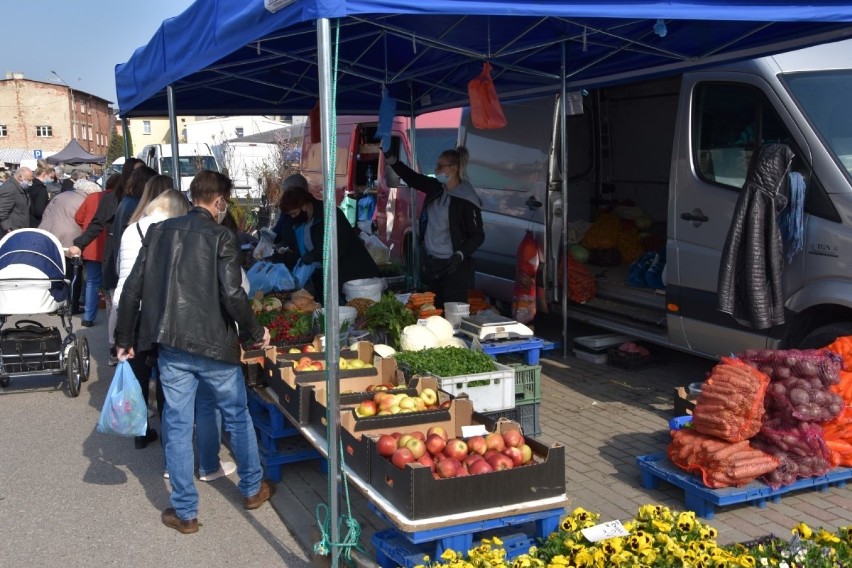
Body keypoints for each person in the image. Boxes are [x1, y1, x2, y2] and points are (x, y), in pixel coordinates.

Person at [114, 170, 273, 534]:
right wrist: (254, 332)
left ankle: (185, 512)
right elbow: (233, 294)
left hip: (171, 344)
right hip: (215, 345)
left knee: (177, 422)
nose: (225, 208)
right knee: (236, 416)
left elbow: (132, 290)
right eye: (225, 203)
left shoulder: (158, 232)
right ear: (218, 201)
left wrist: (124, 338)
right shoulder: (221, 236)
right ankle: (251, 489)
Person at [115, 190, 191, 450]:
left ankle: (140, 430)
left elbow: (122, 273)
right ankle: (170, 432)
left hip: (128, 308)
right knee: (165, 373)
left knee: (138, 373)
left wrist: (121, 336)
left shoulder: (131, 228)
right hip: (155, 309)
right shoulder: (168, 232)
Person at [384, 145, 484, 307]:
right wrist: (391, 159)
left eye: (440, 166)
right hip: (432, 264)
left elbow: (478, 235)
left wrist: (460, 255)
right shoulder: (436, 187)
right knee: (433, 312)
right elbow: (412, 177)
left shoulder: (467, 199)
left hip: (454, 267)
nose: (436, 169)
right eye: (436, 165)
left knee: (453, 315)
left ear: (453, 169)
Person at [68, 157, 143, 364]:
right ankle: (115, 348)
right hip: (115, 258)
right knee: (117, 306)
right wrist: (80, 244)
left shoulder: (144, 199)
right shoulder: (113, 199)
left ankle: (133, 348)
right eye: (136, 173)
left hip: (137, 259)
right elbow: (96, 224)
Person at [275, 180, 380, 299]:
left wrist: (314, 255)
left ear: (304, 205)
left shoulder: (330, 214)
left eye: (294, 213)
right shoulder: (300, 224)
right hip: (327, 279)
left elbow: (338, 245)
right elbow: (297, 249)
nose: (292, 218)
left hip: (353, 275)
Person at [39, 179, 101, 314]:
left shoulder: (61, 195)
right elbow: (85, 220)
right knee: (73, 273)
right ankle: (71, 306)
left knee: (55, 273)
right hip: (69, 238)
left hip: (49, 236)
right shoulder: (84, 200)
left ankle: (53, 304)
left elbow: (46, 213)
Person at [74, 174, 119, 327]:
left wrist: (86, 230)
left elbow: (78, 217)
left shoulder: (93, 197)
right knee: (114, 283)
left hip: (92, 244)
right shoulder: (120, 199)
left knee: (92, 281)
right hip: (111, 245)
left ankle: (88, 317)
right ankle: (113, 316)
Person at [0, 167, 33, 234]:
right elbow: (2, 211)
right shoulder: (10, 188)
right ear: (20, 177)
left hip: (19, 229)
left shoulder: (19, 187)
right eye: (28, 180)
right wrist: (7, 228)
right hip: (12, 230)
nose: (30, 183)